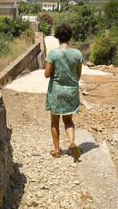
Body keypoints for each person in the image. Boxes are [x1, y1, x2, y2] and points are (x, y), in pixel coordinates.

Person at [44, 24, 83, 159]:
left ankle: (56, 150)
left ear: (57, 38)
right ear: (69, 37)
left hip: (56, 91)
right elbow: (78, 75)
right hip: (71, 91)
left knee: (55, 122)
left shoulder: (53, 54)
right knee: (68, 121)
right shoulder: (77, 54)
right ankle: (72, 142)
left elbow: (47, 74)